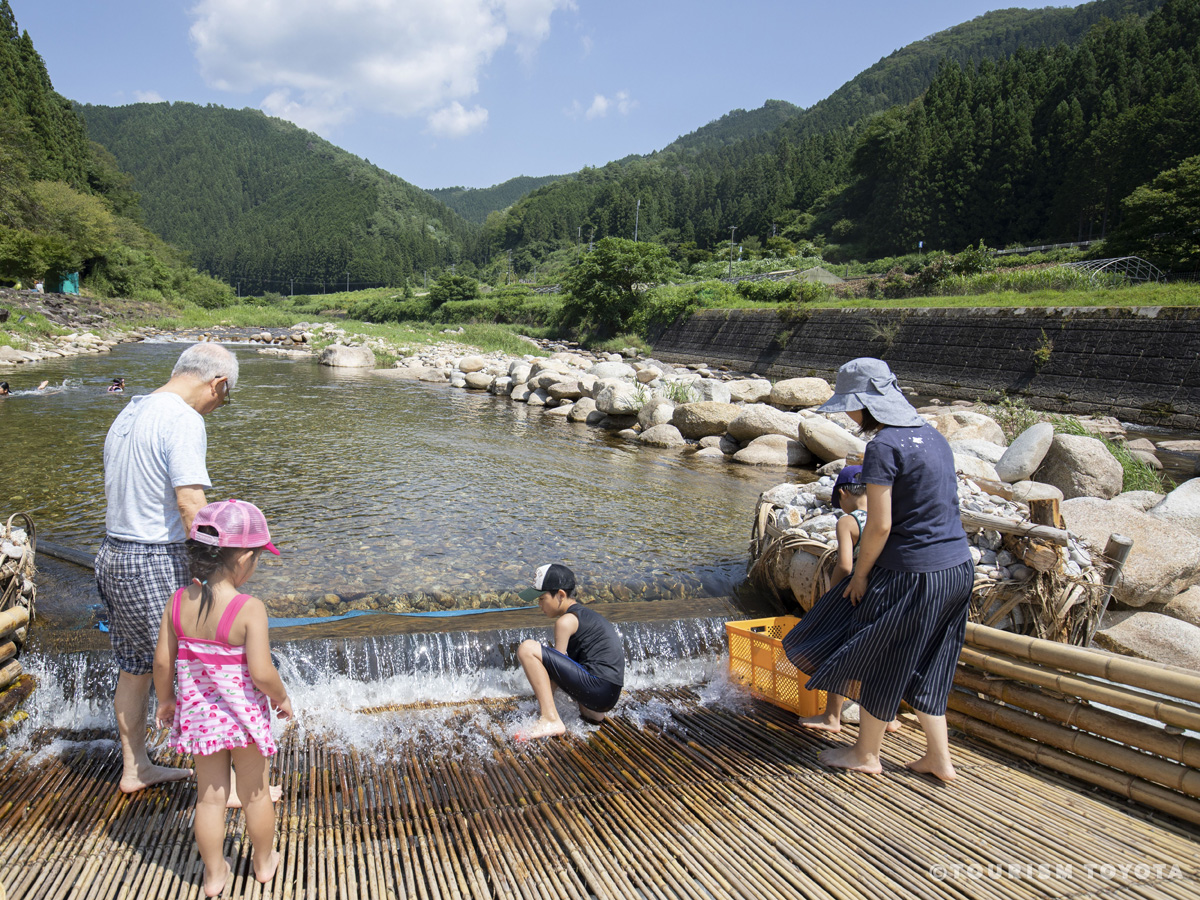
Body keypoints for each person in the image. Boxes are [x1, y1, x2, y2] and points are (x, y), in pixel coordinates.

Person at [782, 358, 973, 782]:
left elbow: (880, 523)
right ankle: (940, 759)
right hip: (957, 569)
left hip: (912, 572)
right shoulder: (934, 437)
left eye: (851, 405)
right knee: (932, 662)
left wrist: (862, 575)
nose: (850, 415)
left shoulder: (884, 447)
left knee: (885, 657)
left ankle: (866, 753)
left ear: (869, 404)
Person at [95, 341, 238, 794]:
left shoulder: (132, 411)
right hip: (155, 559)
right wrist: (219, 572)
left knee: (136, 667)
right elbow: (191, 503)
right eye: (225, 396)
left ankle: (136, 768)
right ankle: (229, 787)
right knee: (201, 666)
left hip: (115, 554)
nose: (219, 406)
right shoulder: (183, 418)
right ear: (216, 383)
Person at [153, 499, 291, 897]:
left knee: (210, 800)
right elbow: (263, 673)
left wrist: (166, 701)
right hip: (244, 721)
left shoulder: (178, 602)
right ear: (244, 558)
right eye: (259, 558)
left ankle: (214, 876)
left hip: (200, 720)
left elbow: (162, 662)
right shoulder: (250, 609)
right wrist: (281, 698)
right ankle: (264, 864)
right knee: (255, 793)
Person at [797, 465, 901, 735]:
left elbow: (844, 565)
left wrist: (832, 595)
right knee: (883, 654)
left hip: (855, 593)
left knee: (839, 649)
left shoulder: (849, 521)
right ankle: (887, 717)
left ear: (843, 492)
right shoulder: (887, 518)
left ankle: (832, 717)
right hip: (889, 592)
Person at [515, 563, 625, 740]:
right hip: (608, 696)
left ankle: (550, 719)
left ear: (560, 595)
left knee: (527, 648)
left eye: (542, 598)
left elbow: (556, 674)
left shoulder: (565, 621)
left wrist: (539, 706)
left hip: (597, 687)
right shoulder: (587, 616)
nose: (539, 605)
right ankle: (591, 713)